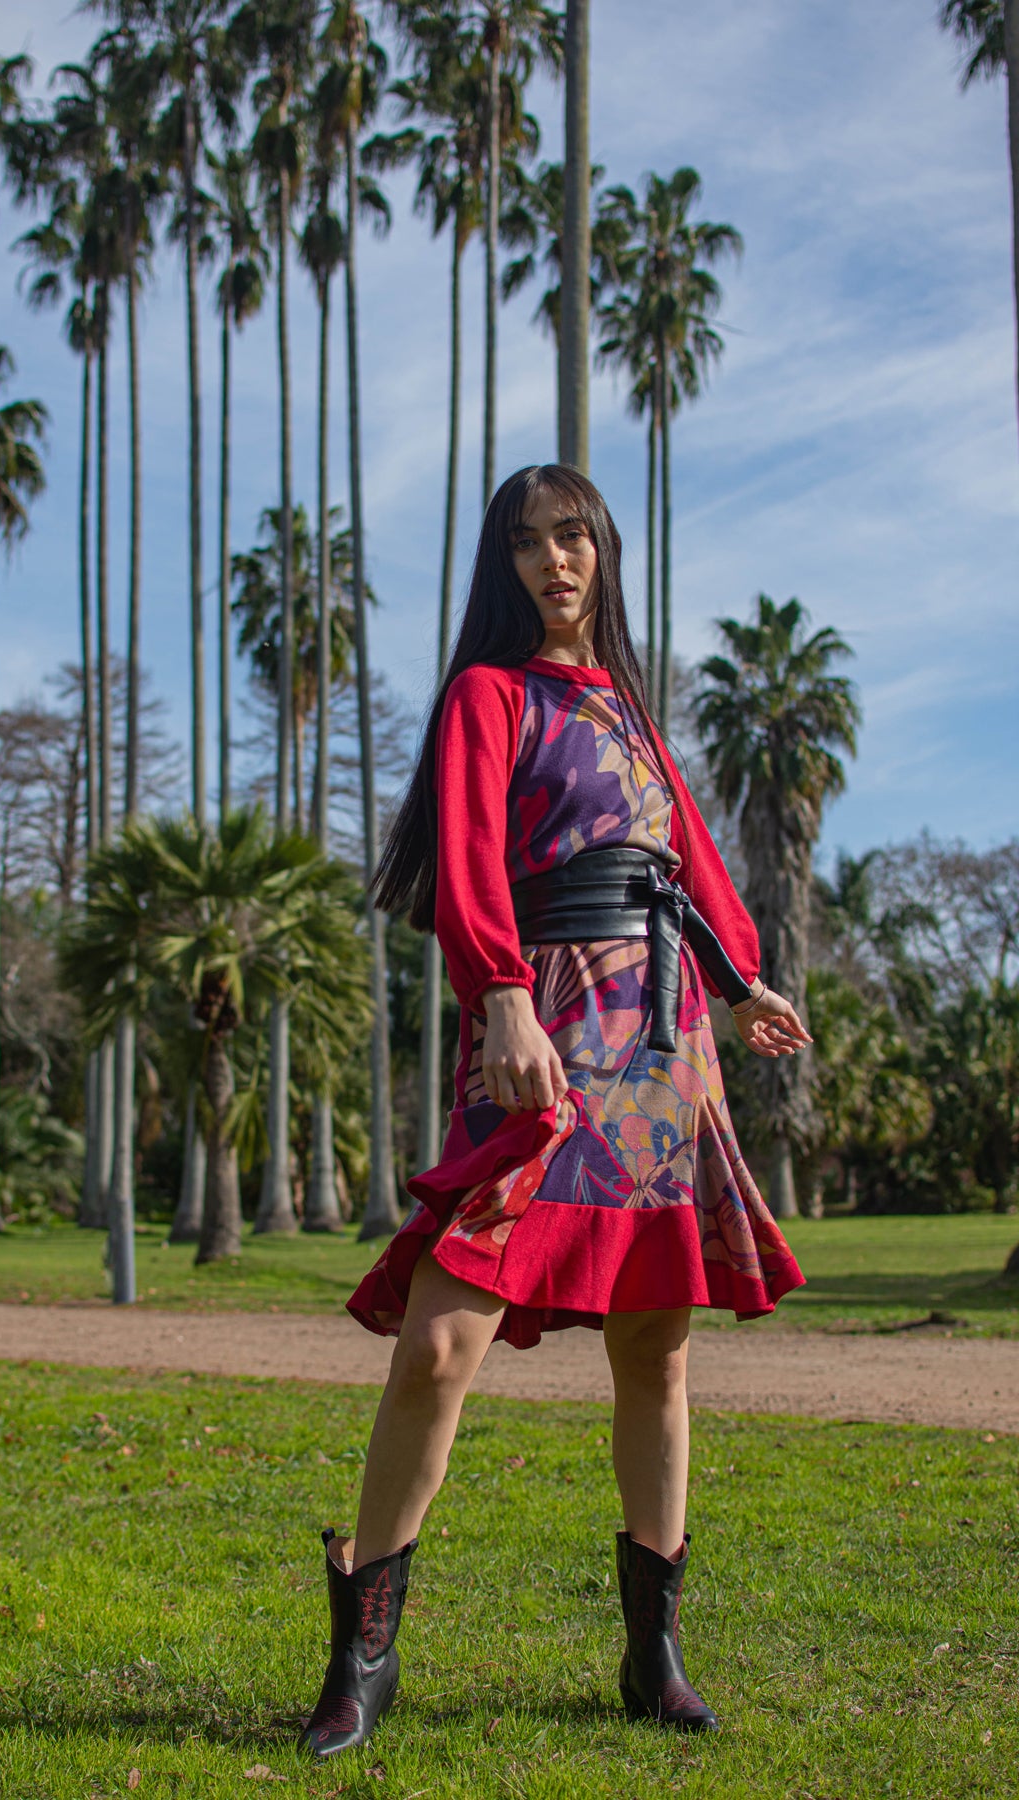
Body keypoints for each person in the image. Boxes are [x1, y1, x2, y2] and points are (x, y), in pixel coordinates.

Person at [298, 465, 809, 1758]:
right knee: (440, 1342)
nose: (552, 559)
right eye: (526, 542)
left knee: (657, 1350)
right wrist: (504, 999)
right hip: (541, 1027)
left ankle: (655, 1654)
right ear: (504, 565)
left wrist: (743, 986)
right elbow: (468, 857)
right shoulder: (491, 694)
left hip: (660, 1039)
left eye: (571, 535)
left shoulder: (634, 714)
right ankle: (367, 1657)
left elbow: (686, 863)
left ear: (603, 551)